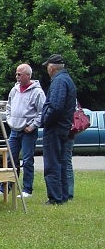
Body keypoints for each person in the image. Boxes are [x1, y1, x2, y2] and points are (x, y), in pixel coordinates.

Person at [0, 63, 45, 198]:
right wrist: (10, 120)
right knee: (10, 159)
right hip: (14, 129)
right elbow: (8, 107)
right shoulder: (14, 90)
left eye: (19, 74)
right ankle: (6, 187)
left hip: (28, 132)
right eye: (16, 74)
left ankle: (27, 189)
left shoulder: (37, 92)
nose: (17, 77)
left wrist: (32, 126)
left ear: (28, 75)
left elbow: (42, 112)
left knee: (27, 160)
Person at [39, 54, 76, 205]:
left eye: (47, 66)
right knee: (61, 162)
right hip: (64, 127)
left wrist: (45, 120)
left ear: (52, 67)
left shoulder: (59, 81)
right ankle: (64, 195)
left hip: (55, 128)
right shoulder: (67, 79)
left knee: (52, 163)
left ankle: (55, 198)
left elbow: (55, 106)